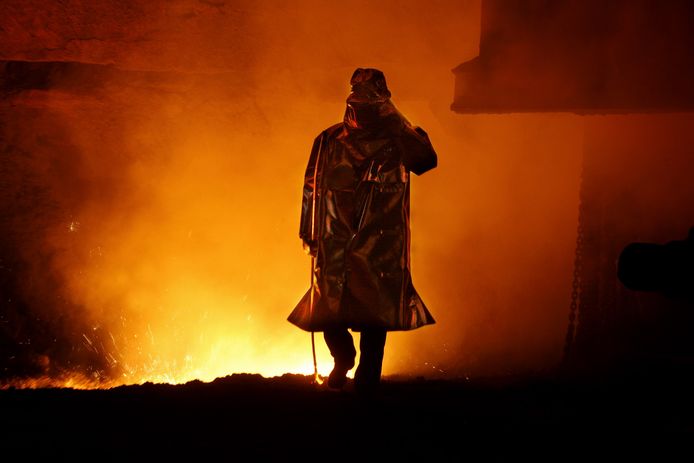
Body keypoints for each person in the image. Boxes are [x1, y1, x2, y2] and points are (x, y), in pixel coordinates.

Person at [288, 68, 437, 394]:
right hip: (334, 239)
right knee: (328, 312)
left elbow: (426, 161)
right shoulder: (329, 140)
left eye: (371, 102)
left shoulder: (397, 140)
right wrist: (308, 232)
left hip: (379, 243)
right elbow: (311, 187)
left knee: (374, 317)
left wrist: (400, 126)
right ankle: (343, 359)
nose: (363, 109)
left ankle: (366, 384)